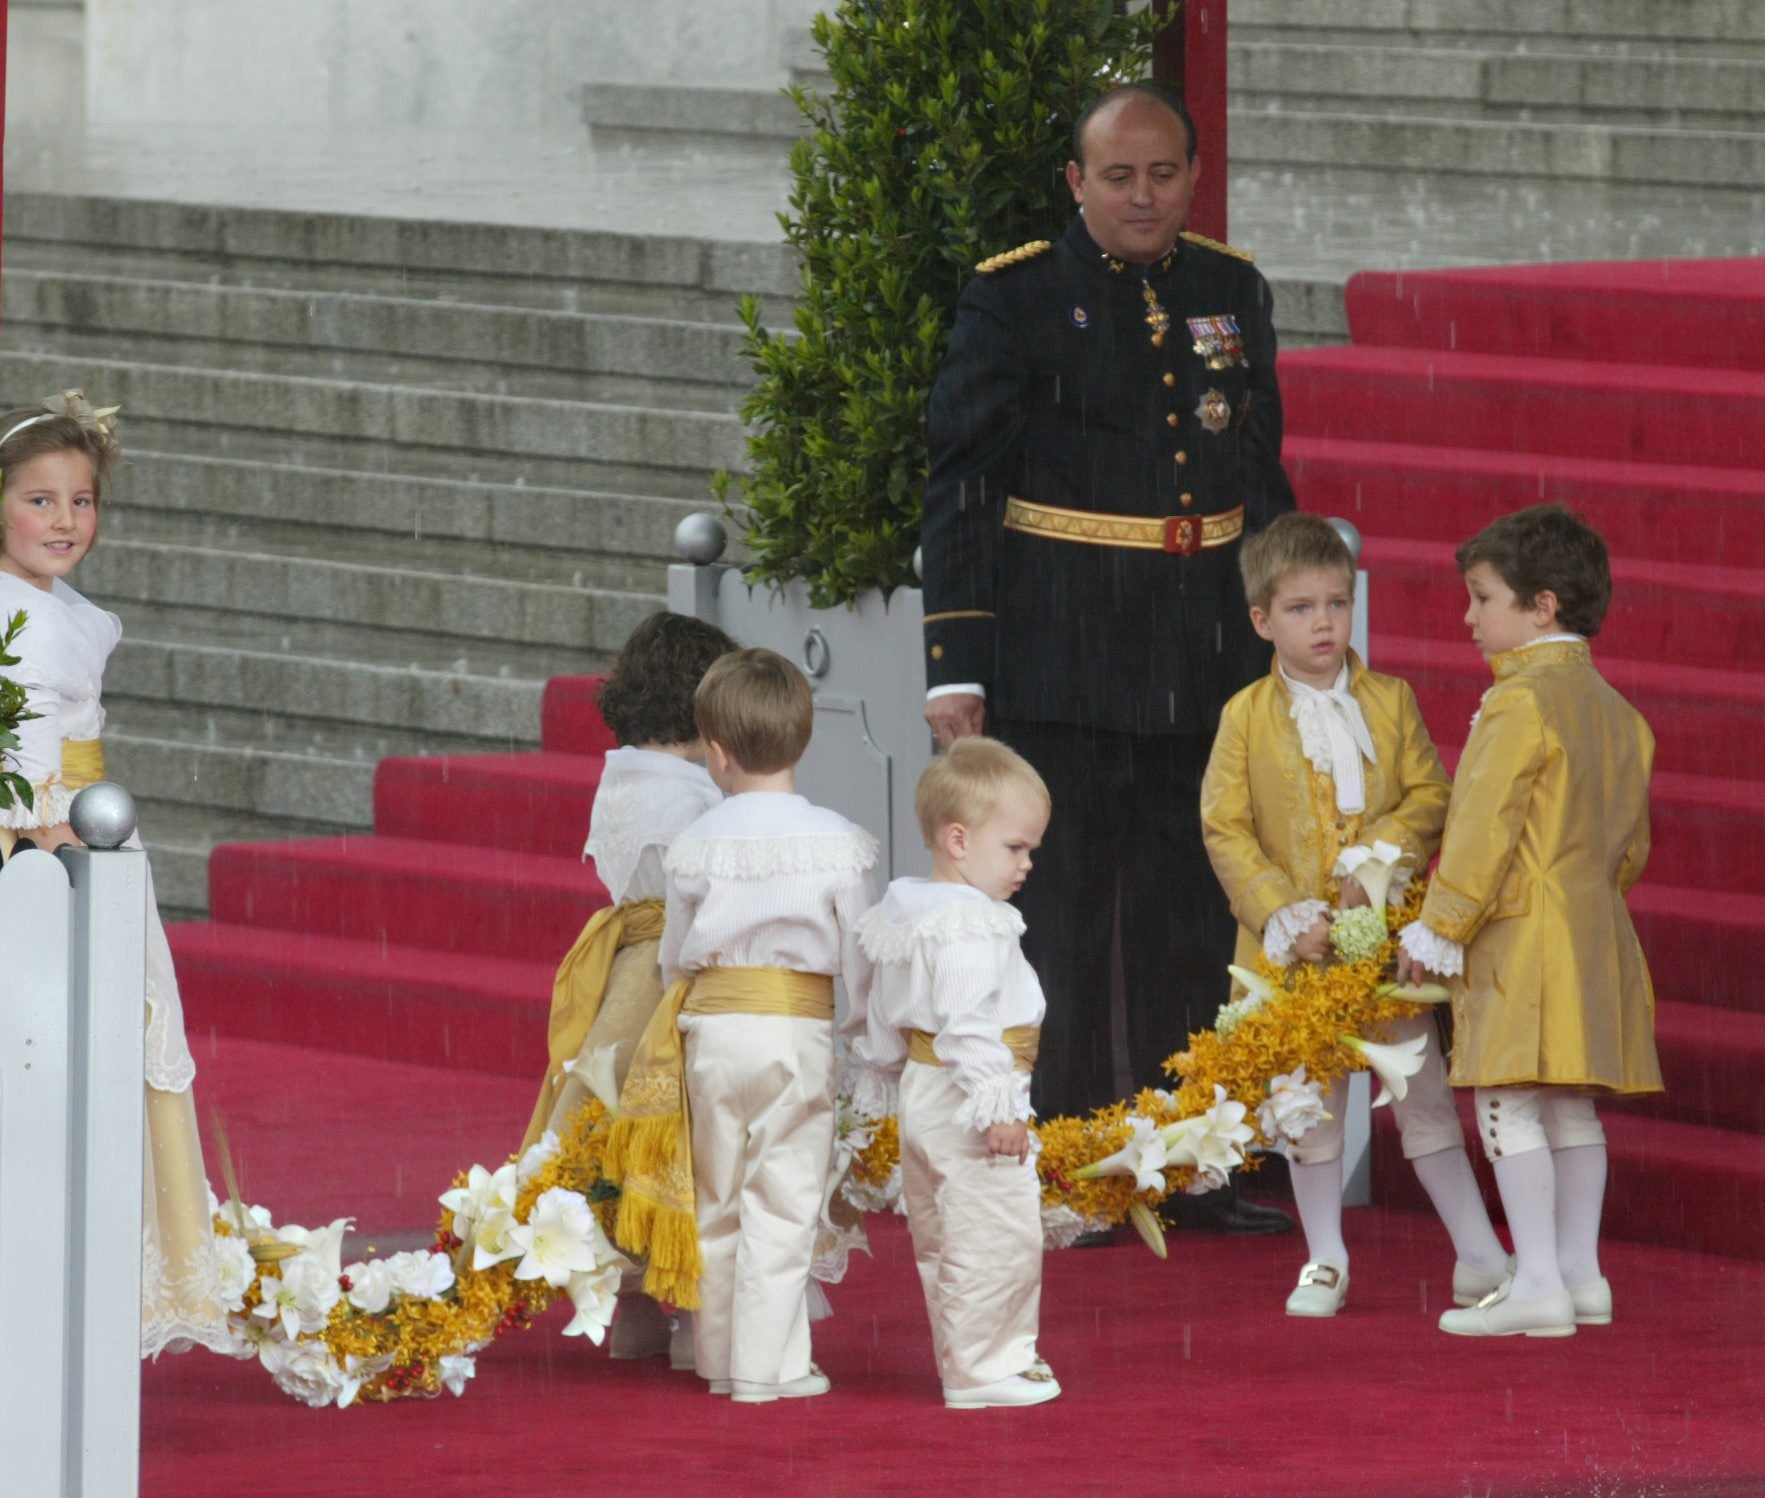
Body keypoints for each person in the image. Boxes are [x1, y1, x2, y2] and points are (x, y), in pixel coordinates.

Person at [918, 81, 1296, 1233]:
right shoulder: (1015, 297)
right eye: (1118, 176)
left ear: (1192, 176)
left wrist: (1287, 629)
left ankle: (1192, 1160)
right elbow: (963, 481)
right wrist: (957, 660)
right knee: (1063, 919)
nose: (1144, 196)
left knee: (1195, 908)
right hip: (1062, 645)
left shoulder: (1230, 288)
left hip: (1205, 642)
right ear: (1075, 184)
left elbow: (1264, 476)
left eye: (1164, 173)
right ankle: (1073, 1165)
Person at [1200, 514, 1511, 1317]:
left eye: (1336, 604)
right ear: (1262, 620)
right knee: (1310, 1111)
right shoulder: (1243, 715)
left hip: (1382, 952)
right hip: (1293, 952)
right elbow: (1225, 828)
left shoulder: (1390, 698)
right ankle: (1325, 1259)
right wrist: (1281, 910)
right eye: (1301, 609)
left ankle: (1478, 1255)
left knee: (1425, 1101)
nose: (1324, 624)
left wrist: (1377, 858)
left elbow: (1430, 795)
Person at [0, 391, 234, 1358]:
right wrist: (29, 826)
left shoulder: (79, 619)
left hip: (96, 849)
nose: (64, 522)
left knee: (107, 1064)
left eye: (82, 502)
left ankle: (86, 1292)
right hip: (32, 854)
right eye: (40, 501)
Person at [1396, 505, 1662, 1338]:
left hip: (1521, 931)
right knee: (1569, 1105)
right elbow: (1632, 849)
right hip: (1592, 926)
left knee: (1507, 1101)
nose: (1467, 618)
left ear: (1540, 605)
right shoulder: (1617, 710)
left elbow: (1481, 828)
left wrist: (1439, 925)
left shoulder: (1517, 702)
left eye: (1481, 598)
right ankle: (1582, 1277)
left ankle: (1537, 1281)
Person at [604, 648, 877, 1402]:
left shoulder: (697, 843)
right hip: (794, 1033)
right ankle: (769, 1368)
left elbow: (671, 961)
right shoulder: (838, 840)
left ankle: (719, 1360)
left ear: (716, 754)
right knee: (784, 1201)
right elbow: (859, 963)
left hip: (710, 1033)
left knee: (716, 1199)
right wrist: (862, 1045)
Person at [518, 609, 734, 1362]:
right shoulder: (692, 798)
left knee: (608, 1116)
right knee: (673, 1127)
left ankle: (634, 1315)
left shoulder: (622, 780)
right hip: (667, 968)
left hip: (623, 967)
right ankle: (693, 1322)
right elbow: (702, 899)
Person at [848, 738, 1058, 1408]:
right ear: (958, 839)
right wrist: (1000, 1108)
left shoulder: (910, 911)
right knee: (996, 1231)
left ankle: (968, 1357)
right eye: (1016, 848)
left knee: (941, 1234)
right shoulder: (970, 924)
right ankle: (986, 1369)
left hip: (924, 1089)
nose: (1027, 863)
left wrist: (882, 1086)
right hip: (970, 1094)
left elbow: (877, 1011)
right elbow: (968, 1025)